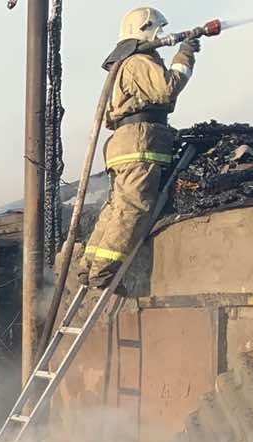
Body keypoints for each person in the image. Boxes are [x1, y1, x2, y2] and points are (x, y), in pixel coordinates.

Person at [80, 8, 200, 288]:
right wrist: (185, 54)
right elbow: (166, 89)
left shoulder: (125, 62)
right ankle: (103, 271)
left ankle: (88, 266)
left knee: (117, 208)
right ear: (144, 29)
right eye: (157, 30)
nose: (160, 35)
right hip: (140, 143)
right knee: (134, 207)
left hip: (126, 142)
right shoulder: (138, 60)